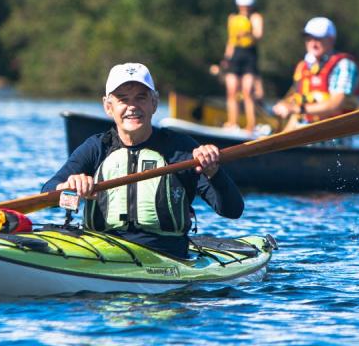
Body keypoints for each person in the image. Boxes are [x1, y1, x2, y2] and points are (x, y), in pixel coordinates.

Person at [43, 63, 243, 258]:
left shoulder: (180, 149)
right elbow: (47, 192)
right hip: (102, 253)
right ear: (108, 106)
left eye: (141, 98)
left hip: (167, 256)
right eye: (123, 99)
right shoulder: (96, 148)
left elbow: (232, 210)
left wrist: (213, 172)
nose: (132, 107)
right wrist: (69, 188)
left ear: (154, 103)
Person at [272, 17, 359, 145]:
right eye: (308, 38)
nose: (312, 43)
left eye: (318, 38)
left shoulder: (344, 65)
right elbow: (295, 107)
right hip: (304, 133)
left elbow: (335, 105)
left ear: (330, 40)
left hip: (334, 139)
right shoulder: (303, 67)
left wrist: (297, 109)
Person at [222, 0, 265, 132]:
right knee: (232, 91)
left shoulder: (256, 17)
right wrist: (227, 58)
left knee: (247, 91)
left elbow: (259, 35)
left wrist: (248, 33)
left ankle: (250, 124)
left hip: (249, 56)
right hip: (235, 56)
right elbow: (231, 40)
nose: (244, 9)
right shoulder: (232, 18)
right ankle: (232, 122)